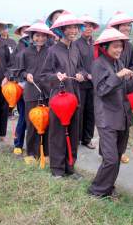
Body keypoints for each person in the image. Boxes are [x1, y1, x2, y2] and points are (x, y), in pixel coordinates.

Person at [88, 27, 133, 198]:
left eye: (121, 46)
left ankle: (108, 187)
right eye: (115, 46)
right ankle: (97, 191)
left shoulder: (118, 63)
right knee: (111, 158)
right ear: (104, 47)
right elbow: (101, 90)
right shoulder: (98, 64)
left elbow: (126, 88)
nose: (119, 50)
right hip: (106, 117)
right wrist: (118, 75)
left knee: (117, 155)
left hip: (122, 115)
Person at [41, 11, 86, 179]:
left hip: (75, 97)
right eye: (69, 28)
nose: (73, 31)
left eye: (75, 27)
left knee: (74, 132)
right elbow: (44, 76)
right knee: (58, 133)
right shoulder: (53, 51)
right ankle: (57, 169)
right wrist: (55, 77)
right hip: (59, 99)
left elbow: (81, 68)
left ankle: (70, 167)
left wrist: (82, 74)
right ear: (61, 30)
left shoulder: (76, 49)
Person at [107, 11, 133, 163]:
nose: (127, 28)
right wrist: (118, 74)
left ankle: (120, 152)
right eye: (124, 25)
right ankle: (107, 153)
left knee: (125, 122)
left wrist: (130, 72)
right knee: (110, 124)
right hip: (110, 88)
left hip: (126, 87)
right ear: (115, 27)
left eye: (129, 25)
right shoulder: (107, 46)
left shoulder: (130, 46)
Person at [18, 21, 53, 163]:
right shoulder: (25, 53)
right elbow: (19, 72)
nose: (40, 39)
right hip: (31, 93)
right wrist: (26, 75)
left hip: (47, 92)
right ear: (32, 37)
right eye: (37, 36)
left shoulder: (51, 52)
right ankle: (31, 153)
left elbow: (54, 69)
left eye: (43, 36)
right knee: (32, 122)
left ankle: (45, 152)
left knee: (47, 123)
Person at [72, 15, 99, 149]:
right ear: (80, 28)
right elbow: (75, 64)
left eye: (90, 26)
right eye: (85, 26)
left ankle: (87, 139)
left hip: (94, 84)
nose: (88, 28)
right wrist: (86, 74)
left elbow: (100, 63)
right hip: (80, 83)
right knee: (80, 111)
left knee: (91, 112)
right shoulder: (75, 44)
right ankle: (76, 139)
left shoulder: (96, 45)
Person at [12, 23, 31, 155]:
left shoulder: (42, 46)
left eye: (28, 30)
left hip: (38, 86)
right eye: (23, 30)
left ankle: (35, 145)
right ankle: (18, 143)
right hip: (23, 85)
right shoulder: (19, 47)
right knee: (23, 116)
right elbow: (16, 68)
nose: (26, 32)